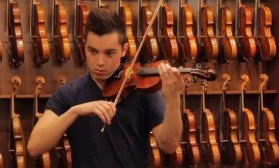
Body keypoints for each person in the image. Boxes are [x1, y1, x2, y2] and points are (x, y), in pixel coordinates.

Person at [27, 8, 184, 168]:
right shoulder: (69, 93)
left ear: (123, 50)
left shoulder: (142, 89)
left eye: (109, 53)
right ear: (84, 47)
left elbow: (169, 145)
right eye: (93, 51)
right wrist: (75, 112)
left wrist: (173, 101)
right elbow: (34, 147)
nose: (100, 62)